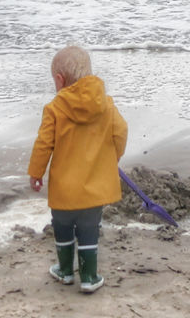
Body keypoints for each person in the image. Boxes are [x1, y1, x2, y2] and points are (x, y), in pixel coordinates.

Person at [29, 46, 128, 293]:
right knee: (88, 232)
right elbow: (121, 132)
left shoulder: (54, 108)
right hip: (93, 190)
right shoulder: (106, 105)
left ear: (60, 79)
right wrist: (113, 156)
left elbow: (44, 144)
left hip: (64, 191)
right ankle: (89, 277)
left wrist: (36, 172)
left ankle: (64, 271)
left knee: (61, 228)